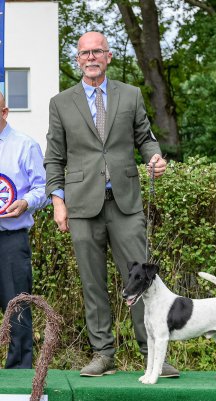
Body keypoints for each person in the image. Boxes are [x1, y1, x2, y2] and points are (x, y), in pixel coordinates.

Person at [44, 31, 179, 377]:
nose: (91, 57)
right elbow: (54, 158)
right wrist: (58, 202)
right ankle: (103, 354)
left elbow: (145, 139)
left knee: (142, 282)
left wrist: (155, 158)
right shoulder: (61, 103)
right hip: (82, 207)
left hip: (126, 204)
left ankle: (152, 353)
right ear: (78, 59)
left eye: (97, 52)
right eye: (85, 53)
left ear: (109, 56)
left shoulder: (131, 95)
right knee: (93, 282)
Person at [0, 92, 49, 368]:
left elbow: (42, 188)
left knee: (17, 311)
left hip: (11, 240)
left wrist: (26, 202)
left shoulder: (25, 146)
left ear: (4, 112)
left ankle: (19, 378)